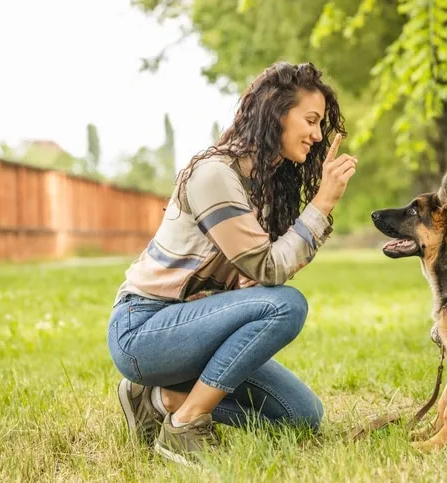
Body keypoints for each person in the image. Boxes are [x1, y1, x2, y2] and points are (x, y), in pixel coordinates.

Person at [106, 61, 357, 465]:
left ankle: (161, 397)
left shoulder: (265, 186)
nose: (316, 134)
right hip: (143, 330)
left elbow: (258, 277)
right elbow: (271, 270)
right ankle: (186, 423)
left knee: (301, 417)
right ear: (277, 112)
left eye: (320, 125)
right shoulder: (215, 175)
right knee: (287, 304)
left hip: (192, 329)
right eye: (310, 120)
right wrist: (323, 202)